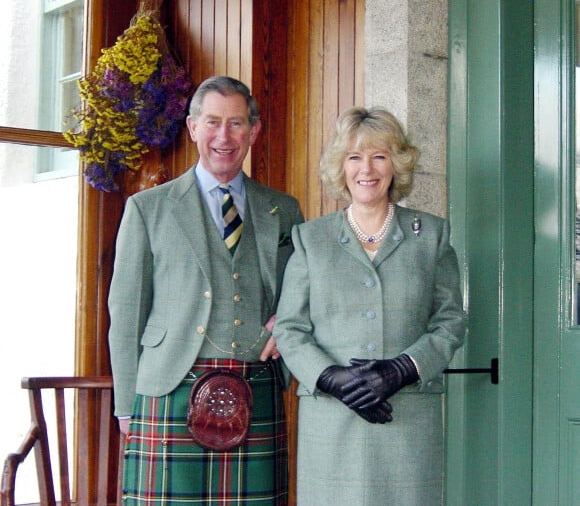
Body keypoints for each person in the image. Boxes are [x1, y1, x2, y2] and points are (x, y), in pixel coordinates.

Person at [108, 75, 304, 505]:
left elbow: (302, 292)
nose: (223, 136)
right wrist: (126, 404)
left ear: (253, 132)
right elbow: (125, 313)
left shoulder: (284, 209)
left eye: (236, 124)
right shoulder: (148, 208)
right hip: (169, 386)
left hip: (257, 386)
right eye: (212, 122)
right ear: (193, 127)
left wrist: (287, 318)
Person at [273, 106, 467, 506]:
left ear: (397, 164)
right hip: (331, 424)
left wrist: (402, 369)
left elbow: (450, 321)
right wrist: (330, 378)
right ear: (340, 167)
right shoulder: (311, 239)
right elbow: (290, 329)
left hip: (408, 422)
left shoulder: (430, 235)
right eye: (354, 157)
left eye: (379, 156)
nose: (368, 168)